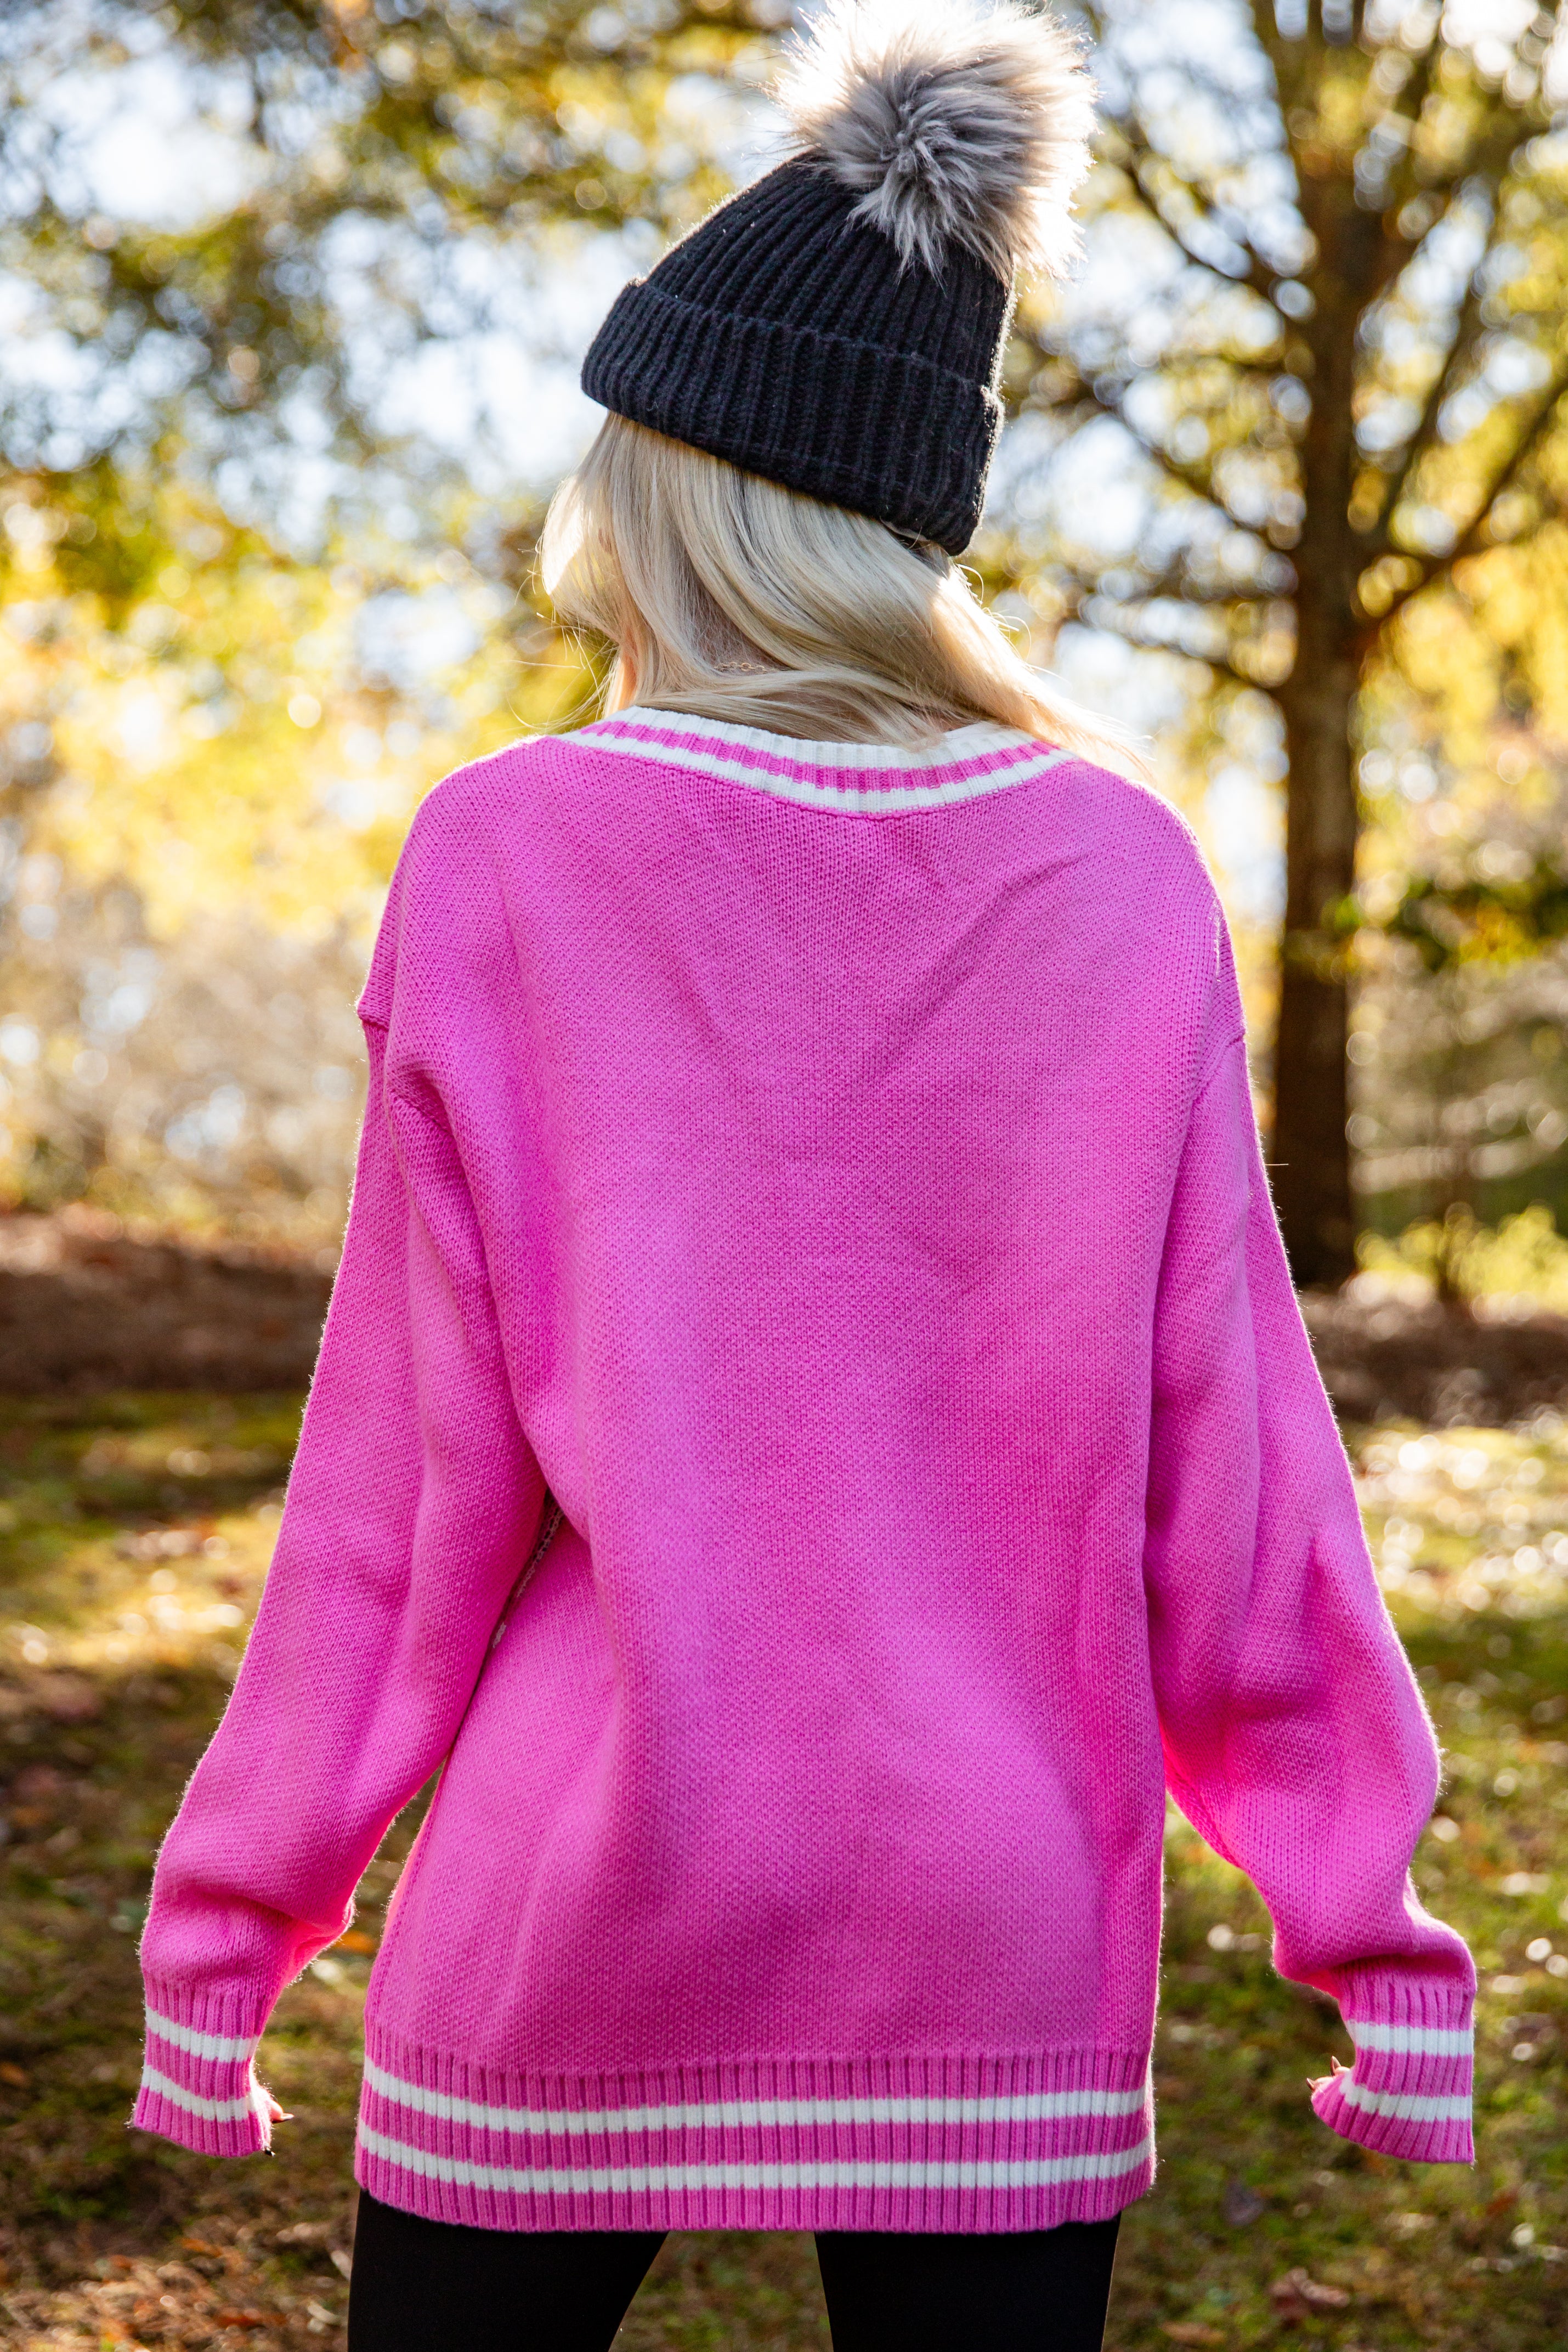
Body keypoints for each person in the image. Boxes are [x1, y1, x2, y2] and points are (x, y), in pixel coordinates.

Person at [129, 3, 1476, 2345]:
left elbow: (404, 1481)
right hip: (997, 1915)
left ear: (676, 481)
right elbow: (1235, 1465)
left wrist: (238, 1920)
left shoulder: (511, 852)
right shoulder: (1123, 875)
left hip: (575, 1894)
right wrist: (1367, 1922)